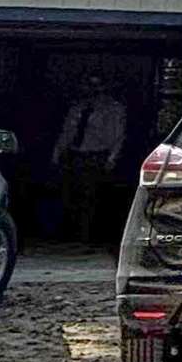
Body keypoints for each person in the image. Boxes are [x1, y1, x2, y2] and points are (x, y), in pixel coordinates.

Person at [53, 76, 129, 243]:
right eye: (89, 85)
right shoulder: (78, 107)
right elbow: (67, 131)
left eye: (97, 85)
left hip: (96, 155)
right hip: (75, 154)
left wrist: (112, 158)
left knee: (91, 197)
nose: (92, 90)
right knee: (70, 194)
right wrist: (58, 151)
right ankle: (70, 233)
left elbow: (118, 136)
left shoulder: (113, 109)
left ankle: (87, 236)